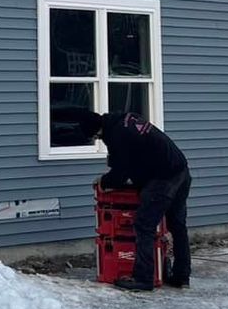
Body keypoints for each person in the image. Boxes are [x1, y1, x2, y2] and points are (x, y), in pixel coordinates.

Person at [57, 107, 190, 292]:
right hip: (180, 169)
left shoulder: (118, 136)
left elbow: (120, 173)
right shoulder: (122, 120)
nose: (98, 140)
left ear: (98, 132)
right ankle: (181, 277)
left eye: (96, 137)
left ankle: (143, 279)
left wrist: (103, 181)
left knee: (144, 224)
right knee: (177, 225)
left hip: (165, 178)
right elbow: (132, 158)